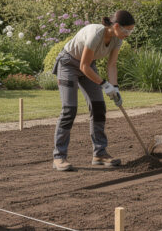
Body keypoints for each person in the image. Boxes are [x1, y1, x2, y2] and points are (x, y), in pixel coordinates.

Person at [50, 10, 135, 171]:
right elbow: (83, 66)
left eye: (131, 30)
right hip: (68, 64)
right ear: (116, 26)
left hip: (89, 66)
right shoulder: (96, 34)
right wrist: (104, 84)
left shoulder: (118, 39)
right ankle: (59, 157)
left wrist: (115, 88)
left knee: (98, 108)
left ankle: (100, 154)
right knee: (69, 109)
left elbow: (112, 65)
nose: (128, 34)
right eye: (127, 30)